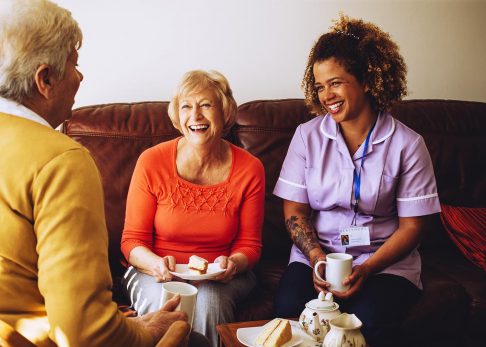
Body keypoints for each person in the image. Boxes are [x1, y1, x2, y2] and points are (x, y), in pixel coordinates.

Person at [0, 1, 189, 346]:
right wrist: (144, 334)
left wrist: (128, 325)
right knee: (182, 332)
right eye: (75, 63)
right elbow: (84, 331)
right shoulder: (61, 159)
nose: (81, 76)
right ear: (45, 79)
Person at [273, 14, 441, 346]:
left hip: (383, 263)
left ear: (366, 80)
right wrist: (317, 257)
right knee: (288, 314)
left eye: (335, 82)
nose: (326, 95)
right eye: (320, 86)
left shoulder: (408, 144)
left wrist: (366, 268)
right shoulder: (306, 137)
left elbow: (412, 227)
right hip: (317, 258)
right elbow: (294, 210)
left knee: (362, 326)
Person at [121, 70, 265, 346]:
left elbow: (250, 244)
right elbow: (132, 241)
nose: (195, 116)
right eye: (186, 106)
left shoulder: (249, 168)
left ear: (224, 113)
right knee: (167, 301)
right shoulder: (151, 162)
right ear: (177, 115)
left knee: (209, 299)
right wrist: (156, 264)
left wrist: (233, 264)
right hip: (154, 270)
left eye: (206, 105)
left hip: (221, 276)